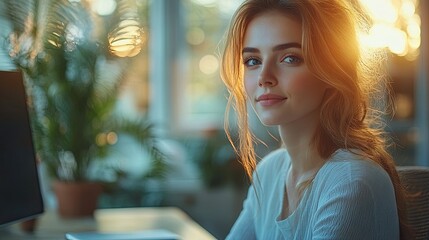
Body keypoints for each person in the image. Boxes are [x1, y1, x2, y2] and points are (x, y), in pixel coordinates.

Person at [220, 0, 410, 239]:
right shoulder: (269, 172)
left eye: (289, 58)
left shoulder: (351, 181)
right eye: (252, 61)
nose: (264, 77)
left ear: (332, 70)